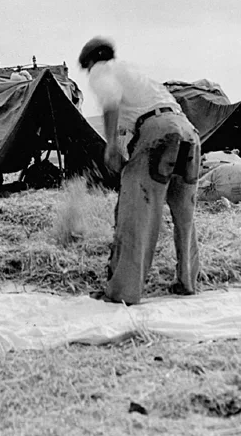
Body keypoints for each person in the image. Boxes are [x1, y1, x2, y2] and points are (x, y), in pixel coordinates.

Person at [79, 36, 201, 304]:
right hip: (188, 132)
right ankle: (187, 281)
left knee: (136, 213)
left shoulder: (102, 70)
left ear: (90, 61)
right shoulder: (134, 73)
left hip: (159, 133)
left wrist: (111, 146)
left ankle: (124, 292)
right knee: (185, 213)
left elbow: (110, 101)